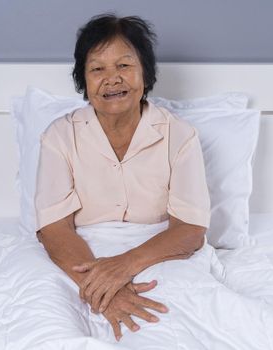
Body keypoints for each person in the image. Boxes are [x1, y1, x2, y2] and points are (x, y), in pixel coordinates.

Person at [34, 13, 211, 341]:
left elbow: (190, 230)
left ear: (145, 72)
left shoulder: (180, 136)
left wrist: (123, 266)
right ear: (83, 79)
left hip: (158, 251)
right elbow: (54, 228)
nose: (112, 79)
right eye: (97, 68)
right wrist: (106, 290)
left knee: (175, 329)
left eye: (124, 66)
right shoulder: (59, 136)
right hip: (76, 257)